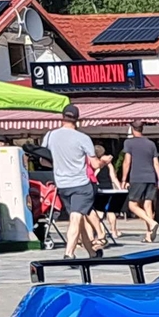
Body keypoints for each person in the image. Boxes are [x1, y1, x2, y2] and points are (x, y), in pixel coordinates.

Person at [43, 103, 101, 258]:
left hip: (62, 185)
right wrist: (105, 161)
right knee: (76, 218)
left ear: (62, 117)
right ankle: (69, 253)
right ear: (77, 119)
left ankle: (91, 252)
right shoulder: (83, 138)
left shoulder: (50, 135)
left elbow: (44, 161)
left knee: (78, 217)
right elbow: (95, 164)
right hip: (80, 184)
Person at [120, 122, 159, 243]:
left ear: (132, 129)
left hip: (137, 177)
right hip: (150, 177)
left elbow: (127, 162)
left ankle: (151, 223)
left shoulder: (129, 143)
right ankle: (149, 235)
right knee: (147, 204)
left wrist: (124, 179)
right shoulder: (151, 144)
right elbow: (156, 163)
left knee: (132, 205)